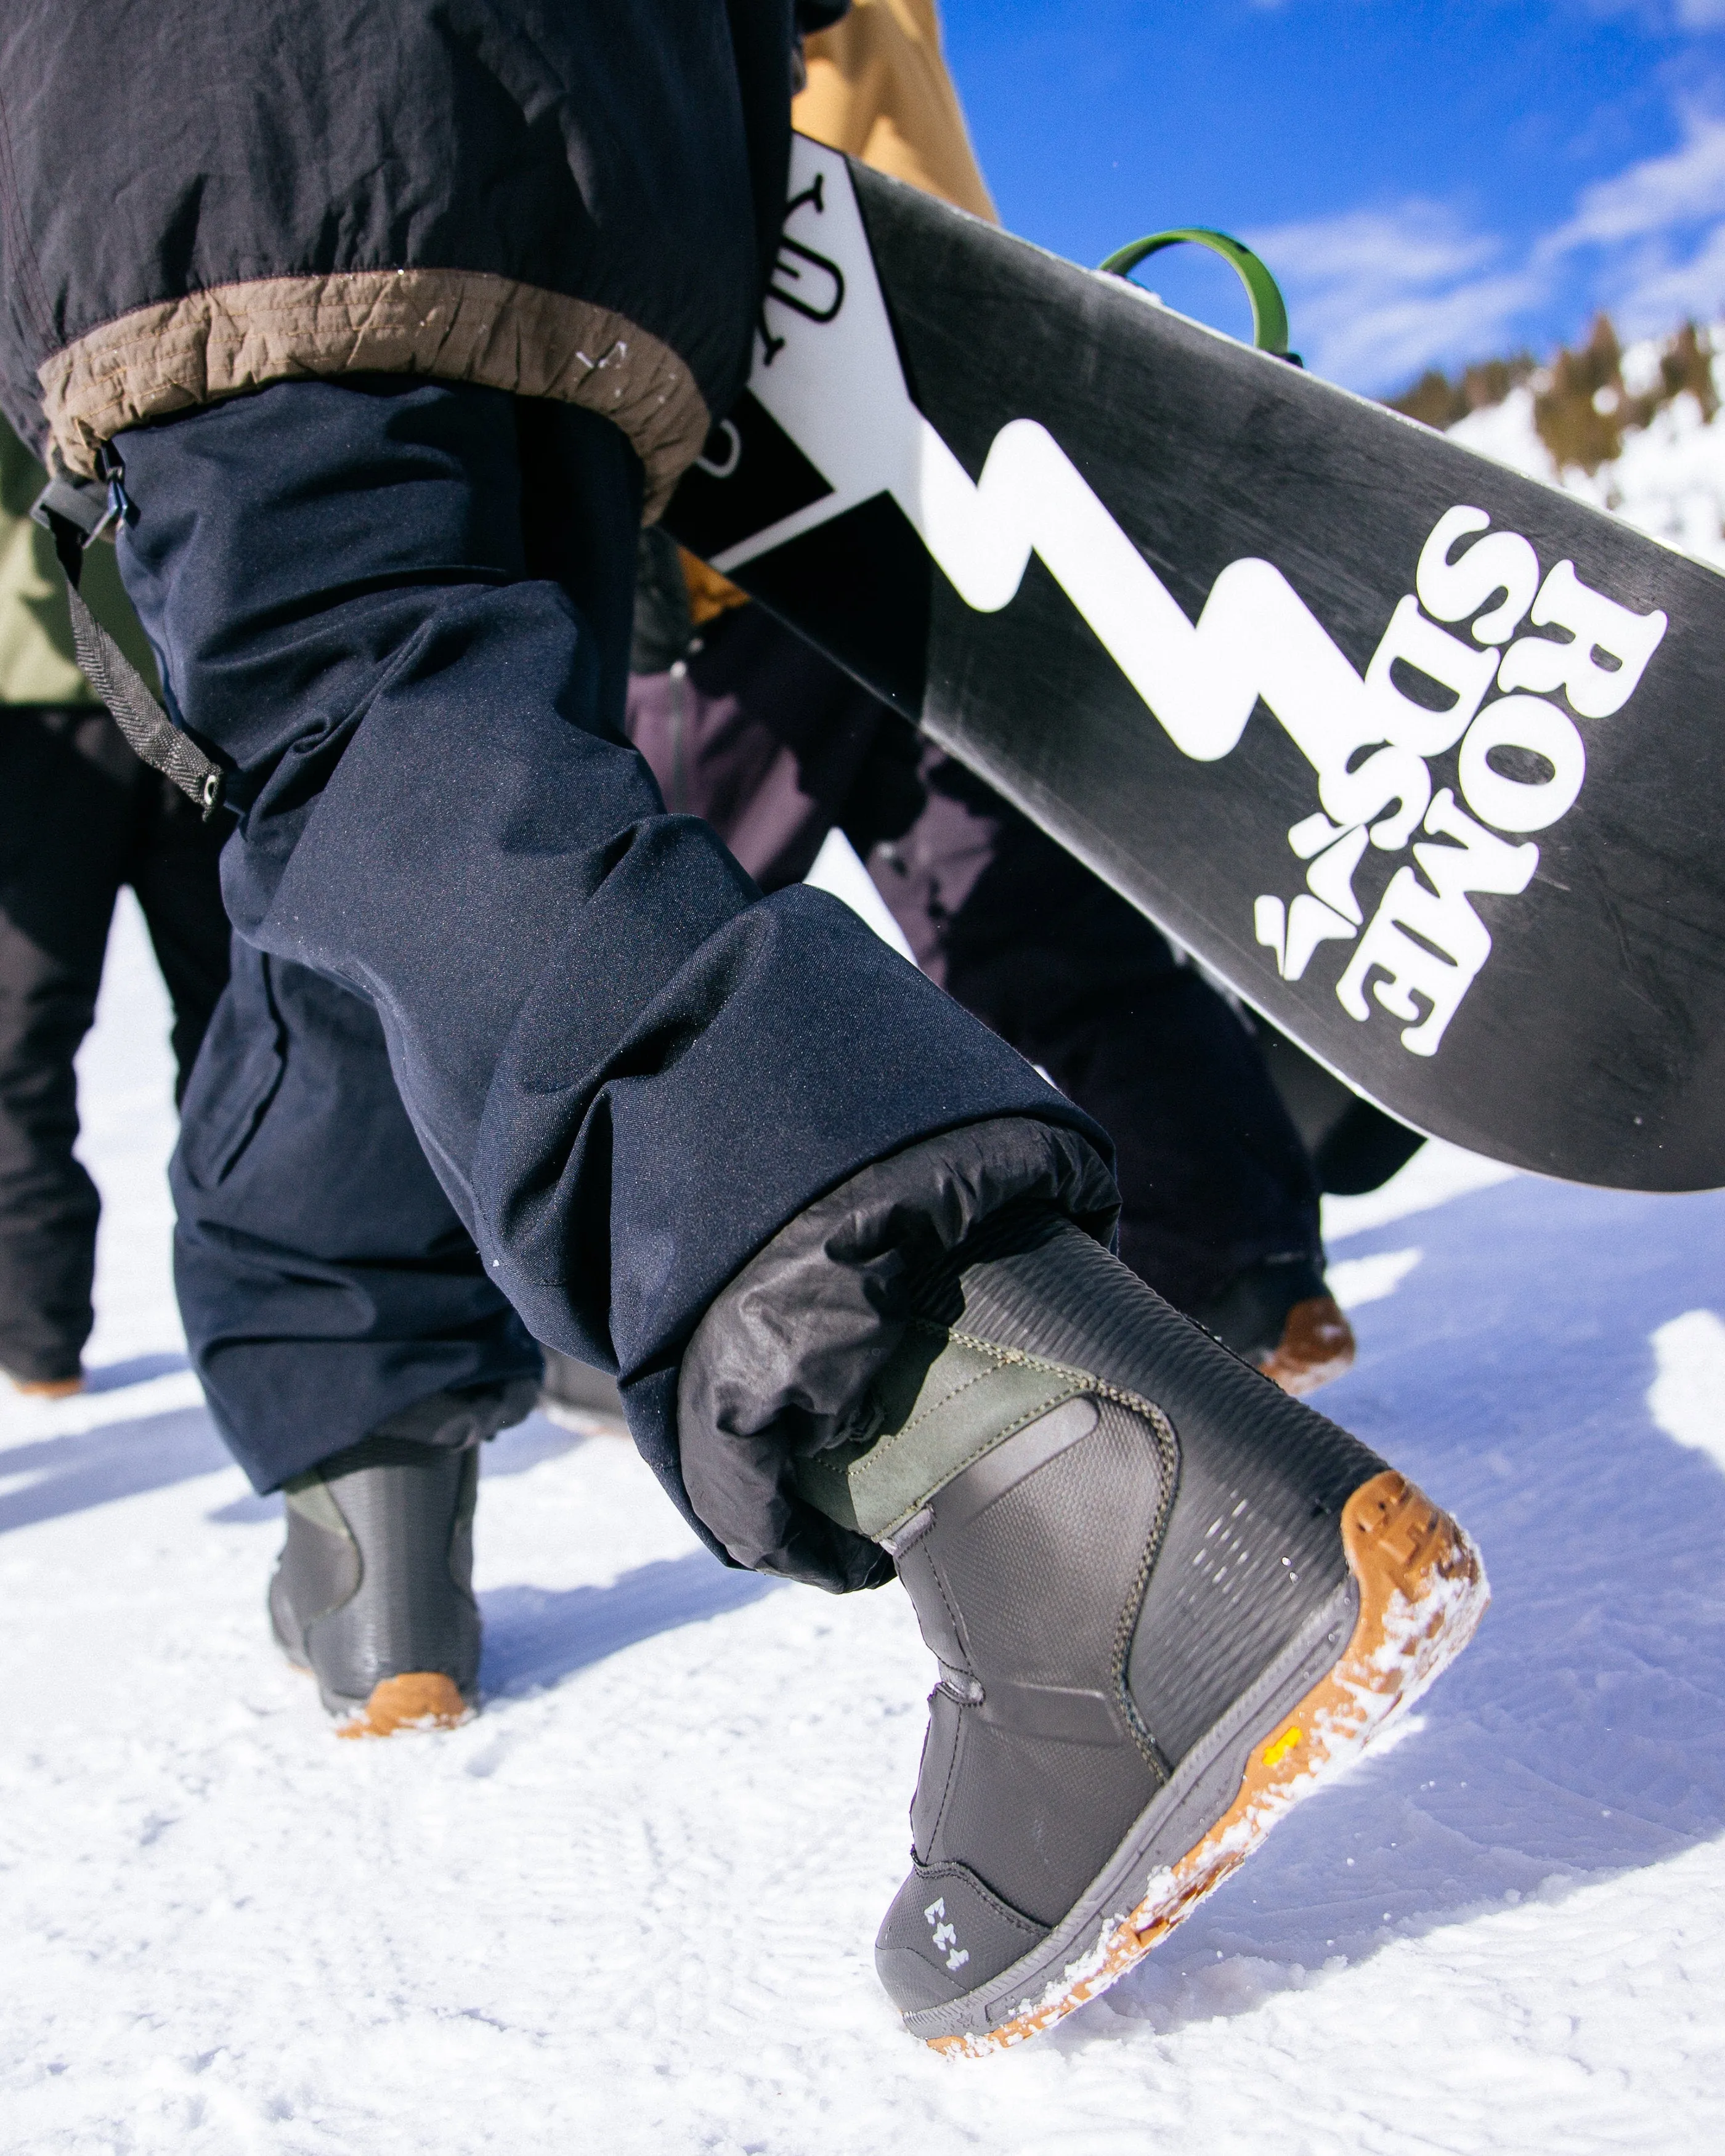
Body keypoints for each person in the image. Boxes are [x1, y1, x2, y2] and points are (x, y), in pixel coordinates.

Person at [0, 2, 1484, 2045]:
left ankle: (1052, 1478)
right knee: (435, 785)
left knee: (376, 755)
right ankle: (396, 1515)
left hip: (239, 109)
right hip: (623, 157)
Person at [625, 0, 1358, 1399]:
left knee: (648, 964)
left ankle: (691, 1343)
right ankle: (1237, 1266)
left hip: (746, 499)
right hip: (939, 465)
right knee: (1038, 921)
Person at [0, 415, 230, 1397]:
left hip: (202, 691)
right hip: (37, 705)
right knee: (19, 1036)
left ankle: (260, 1308)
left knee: (243, 1024)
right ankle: (37, 1332)